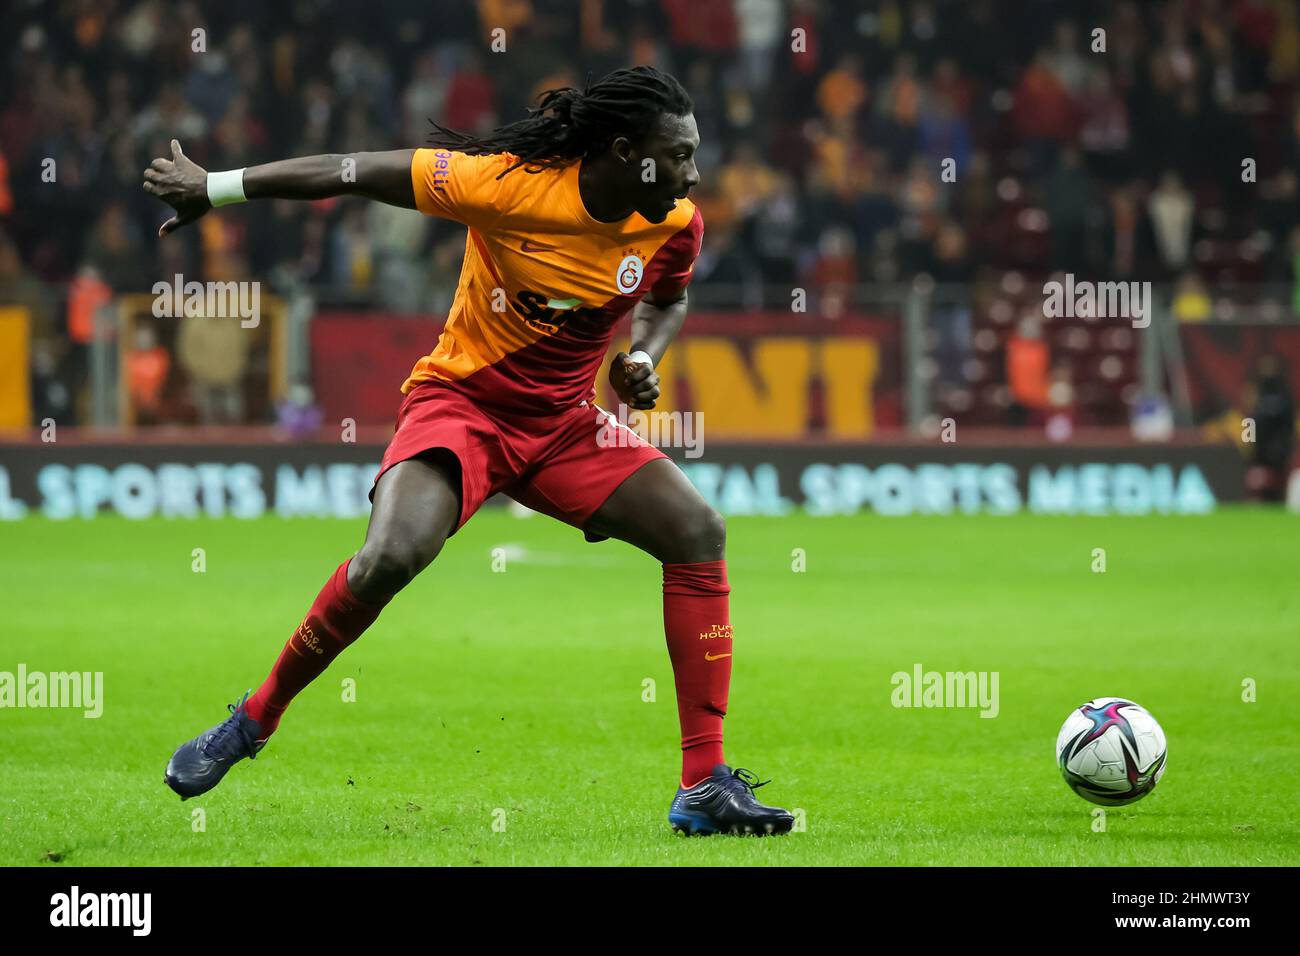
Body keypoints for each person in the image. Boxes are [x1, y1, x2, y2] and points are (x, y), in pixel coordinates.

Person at [144, 66, 793, 836]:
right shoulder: (505, 185)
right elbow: (351, 172)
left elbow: (668, 297)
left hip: (562, 424)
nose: (693, 174)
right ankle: (253, 719)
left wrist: (644, 354)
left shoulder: (674, 222)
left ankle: (704, 784)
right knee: (390, 558)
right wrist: (216, 187)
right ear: (623, 151)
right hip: (462, 407)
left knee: (699, 532)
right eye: (677, 155)